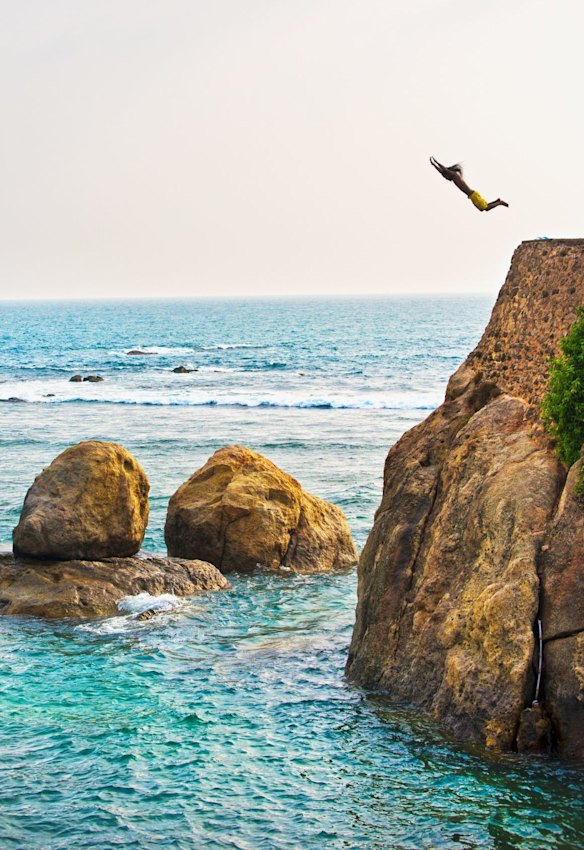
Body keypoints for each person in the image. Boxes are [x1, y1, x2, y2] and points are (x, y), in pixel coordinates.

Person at [430, 157, 509, 212]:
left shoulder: (454, 175)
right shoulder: (453, 177)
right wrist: (434, 165)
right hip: (472, 195)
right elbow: (442, 172)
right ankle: (497, 201)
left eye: (446, 177)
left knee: (485, 208)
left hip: (472, 195)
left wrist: (437, 162)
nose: (446, 178)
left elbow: (444, 170)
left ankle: (499, 202)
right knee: (483, 208)